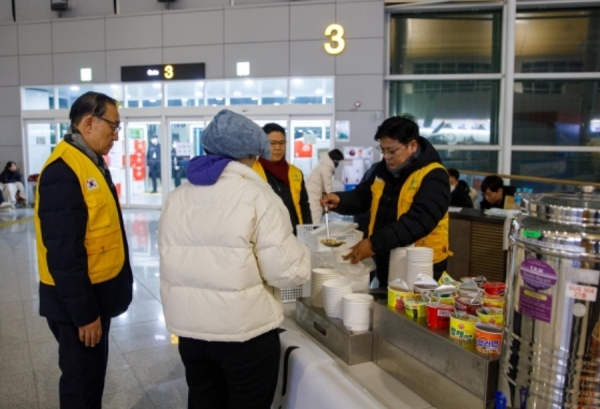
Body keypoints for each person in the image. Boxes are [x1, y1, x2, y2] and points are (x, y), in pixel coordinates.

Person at [159, 109, 310, 409]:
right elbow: (288, 272)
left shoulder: (176, 197)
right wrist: (306, 253)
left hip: (191, 333)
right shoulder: (259, 196)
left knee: (203, 401)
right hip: (245, 336)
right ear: (251, 156)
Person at [34, 91, 133, 408]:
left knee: (90, 383)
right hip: (78, 307)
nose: (116, 136)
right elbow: (64, 255)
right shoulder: (63, 171)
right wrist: (86, 315)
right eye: (113, 127)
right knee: (81, 389)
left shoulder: (89, 162)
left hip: (93, 298)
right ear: (89, 122)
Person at [321, 114, 451, 286]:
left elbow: (419, 220)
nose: (387, 156)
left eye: (392, 150)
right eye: (382, 150)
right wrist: (340, 200)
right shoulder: (381, 170)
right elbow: (363, 196)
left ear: (412, 145)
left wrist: (374, 244)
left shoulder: (434, 176)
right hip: (386, 258)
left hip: (421, 266)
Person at [252, 123, 312, 234]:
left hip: (294, 234)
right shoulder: (251, 171)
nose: (278, 148)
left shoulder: (295, 172)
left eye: (282, 143)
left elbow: (304, 205)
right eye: (272, 143)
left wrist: (308, 233)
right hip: (265, 236)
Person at [306, 148, 344, 223]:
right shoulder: (326, 168)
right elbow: (328, 186)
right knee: (315, 221)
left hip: (313, 195)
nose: (337, 163)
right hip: (314, 198)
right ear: (334, 159)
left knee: (313, 220)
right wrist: (331, 201)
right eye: (337, 161)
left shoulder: (323, 164)